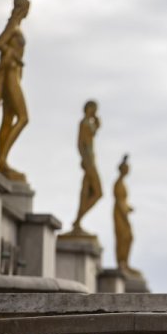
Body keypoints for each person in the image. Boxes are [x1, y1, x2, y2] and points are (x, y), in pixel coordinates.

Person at [0, 0, 30, 182]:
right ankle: (2, 159)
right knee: (23, 118)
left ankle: (3, 161)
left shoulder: (16, 26)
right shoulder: (13, 25)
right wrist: (14, 55)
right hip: (10, 76)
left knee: (8, 119)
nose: (27, 12)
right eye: (25, 8)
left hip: (15, 75)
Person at [72, 100, 102, 234]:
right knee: (97, 192)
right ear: (89, 108)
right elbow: (80, 144)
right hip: (89, 162)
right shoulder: (83, 123)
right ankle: (78, 220)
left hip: (91, 160)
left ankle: (78, 220)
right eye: (94, 109)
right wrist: (84, 159)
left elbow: (93, 134)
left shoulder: (88, 124)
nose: (95, 112)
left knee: (86, 192)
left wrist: (97, 124)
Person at [114, 154, 140, 276]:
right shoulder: (118, 183)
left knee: (127, 238)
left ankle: (125, 262)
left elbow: (123, 201)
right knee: (125, 237)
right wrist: (125, 215)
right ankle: (122, 263)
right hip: (120, 214)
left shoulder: (122, 183)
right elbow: (119, 202)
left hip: (123, 213)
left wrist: (129, 208)